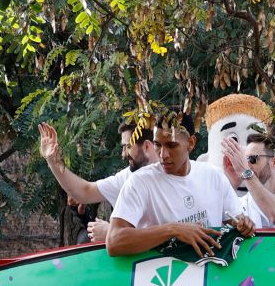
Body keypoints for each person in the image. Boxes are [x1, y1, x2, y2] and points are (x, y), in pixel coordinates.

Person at [105, 110, 253, 258]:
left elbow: (236, 221)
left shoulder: (214, 175)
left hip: (211, 275)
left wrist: (244, 224)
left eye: (171, 145)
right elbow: (114, 241)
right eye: (158, 145)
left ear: (191, 143)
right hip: (165, 277)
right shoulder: (139, 182)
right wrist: (173, 230)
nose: (163, 154)